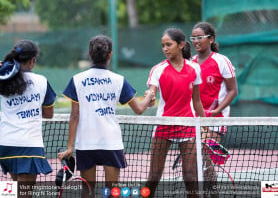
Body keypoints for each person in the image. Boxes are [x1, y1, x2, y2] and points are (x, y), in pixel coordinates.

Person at [58, 34, 154, 197]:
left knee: (87, 193)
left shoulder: (77, 80)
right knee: (112, 192)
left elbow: (74, 116)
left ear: (90, 55)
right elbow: (139, 109)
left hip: (86, 143)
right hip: (111, 142)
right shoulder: (119, 80)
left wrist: (69, 147)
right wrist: (150, 96)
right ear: (110, 55)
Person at [146, 27, 206, 198]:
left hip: (187, 125)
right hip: (163, 125)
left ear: (180, 45)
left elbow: (196, 100)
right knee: (154, 175)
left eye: (169, 45)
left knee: (189, 175)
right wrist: (150, 97)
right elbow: (152, 92)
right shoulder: (158, 69)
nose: (165, 49)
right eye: (163, 45)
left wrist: (205, 124)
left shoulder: (195, 68)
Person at [0, 40, 56, 198]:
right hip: (29, 146)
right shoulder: (41, 81)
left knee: (13, 194)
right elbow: (49, 114)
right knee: (24, 195)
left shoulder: (3, 79)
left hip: (5, 146)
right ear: (33, 60)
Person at [190, 22, 238, 197]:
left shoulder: (222, 61)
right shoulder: (190, 63)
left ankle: (213, 194)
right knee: (199, 160)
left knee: (202, 156)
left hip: (216, 119)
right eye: (193, 38)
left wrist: (217, 110)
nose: (196, 41)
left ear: (211, 39)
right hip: (195, 118)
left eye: (200, 37)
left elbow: (233, 90)